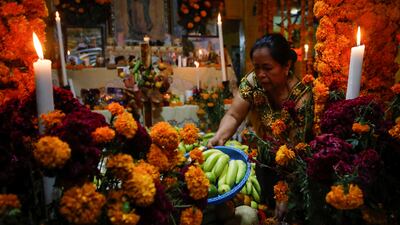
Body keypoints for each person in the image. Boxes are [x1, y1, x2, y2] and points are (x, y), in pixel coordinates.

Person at [208, 33, 313, 218]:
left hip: (297, 169)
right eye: (256, 68)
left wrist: (285, 189)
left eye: (267, 68)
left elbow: (297, 150)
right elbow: (234, 114)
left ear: (286, 66)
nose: (260, 74)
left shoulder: (301, 98)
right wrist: (220, 136)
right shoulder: (253, 82)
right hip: (264, 160)